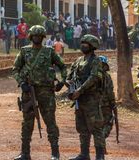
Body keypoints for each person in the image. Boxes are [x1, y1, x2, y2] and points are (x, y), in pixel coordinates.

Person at [12, 25, 67, 160]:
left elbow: (63, 66)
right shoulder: (24, 52)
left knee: (50, 122)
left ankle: (55, 153)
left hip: (46, 92)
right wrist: (22, 82)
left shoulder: (49, 51)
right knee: (27, 123)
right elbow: (15, 69)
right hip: (29, 92)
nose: (37, 38)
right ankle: (25, 153)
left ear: (43, 37)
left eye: (39, 36)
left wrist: (62, 81)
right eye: (34, 36)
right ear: (31, 37)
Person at [67, 34, 105, 160]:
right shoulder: (78, 60)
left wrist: (80, 89)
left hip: (91, 99)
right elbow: (70, 75)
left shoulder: (96, 61)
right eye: (82, 43)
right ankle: (84, 154)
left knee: (96, 127)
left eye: (86, 44)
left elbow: (94, 77)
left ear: (92, 46)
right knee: (82, 127)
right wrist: (69, 85)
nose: (83, 45)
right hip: (79, 100)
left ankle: (100, 156)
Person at [98, 55, 116, 154]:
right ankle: (101, 143)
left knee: (98, 126)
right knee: (108, 123)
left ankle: (101, 146)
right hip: (105, 105)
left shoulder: (91, 75)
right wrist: (113, 103)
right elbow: (110, 92)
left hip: (93, 105)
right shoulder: (107, 76)